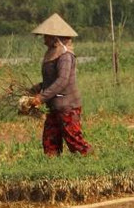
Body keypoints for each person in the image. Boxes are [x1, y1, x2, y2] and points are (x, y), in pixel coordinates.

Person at [29, 13, 92, 156]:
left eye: (46, 36)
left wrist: (41, 98)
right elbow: (51, 81)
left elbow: (62, 81)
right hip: (54, 106)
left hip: (67, 106)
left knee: (74, 141)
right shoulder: (52, 53)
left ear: (55, 37)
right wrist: (36, 89)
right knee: (50, 142)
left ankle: (92, 161)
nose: (44, 40)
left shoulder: (65, 56)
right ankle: (51, 169)